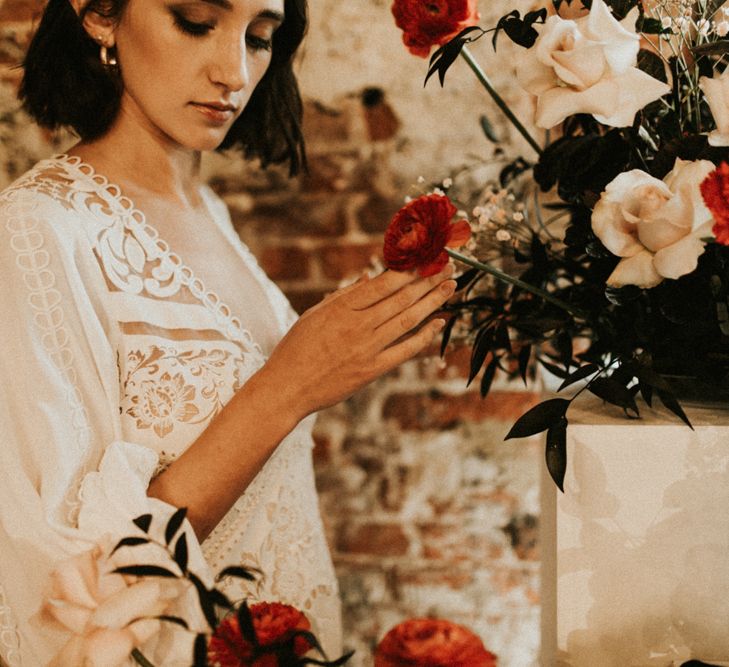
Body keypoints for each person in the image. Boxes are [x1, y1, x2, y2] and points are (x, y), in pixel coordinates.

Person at [0, 0, 457, 664]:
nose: (235, 70)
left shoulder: (206, 208)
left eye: (261, 37)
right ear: (100, 14)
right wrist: (288, 385)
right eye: (194, 21)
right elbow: (63, 583)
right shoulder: (36, 231)